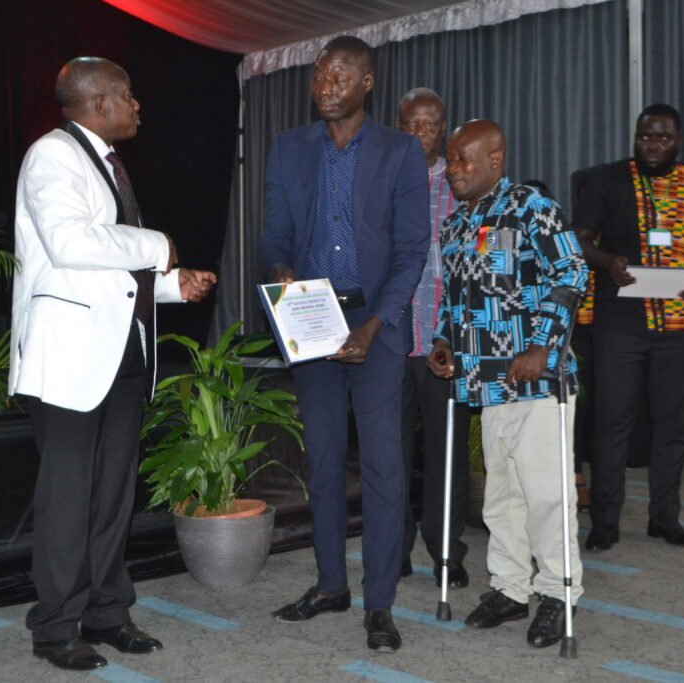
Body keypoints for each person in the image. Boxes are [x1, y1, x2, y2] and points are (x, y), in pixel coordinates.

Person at [9, 56, 217, 671]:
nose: (137, 106)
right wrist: (159, 247)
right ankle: (54, 626)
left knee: (110, 497)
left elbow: (112, 273)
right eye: (128, 95)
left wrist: (177, 285)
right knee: (69, 499)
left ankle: (106, 613)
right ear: (99, 102)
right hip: (71, 357)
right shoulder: (53, 155)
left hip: (123, 351)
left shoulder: (107, 165)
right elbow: (70, 245)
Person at [260, 36, 430, 652]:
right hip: (312, 321)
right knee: (324, 461)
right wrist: (281, 270)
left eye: (338, 77)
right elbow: (274, 234)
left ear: (366, 83)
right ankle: (331, 584)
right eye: (317, 77)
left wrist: (375, 323)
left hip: (376, 326)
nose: (325, 87)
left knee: (384, 468)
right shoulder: (287, 149)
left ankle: (379, 603)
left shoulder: (401, 151)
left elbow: (412, 250)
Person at [428, 120, 587, 648]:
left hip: (538, 385)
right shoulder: (454, 227)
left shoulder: (530, 208)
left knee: (546, 497)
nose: (453, 170)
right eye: (450, 160)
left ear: (495, 159)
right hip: (486, 387)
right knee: (501, 499)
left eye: (463, 160)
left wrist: (542, 345)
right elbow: (454, 301)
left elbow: (572, 274)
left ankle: (559, 596)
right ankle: (512, 589)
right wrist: (443, 341)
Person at [575, 103, 684, 552]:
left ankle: (665, 519)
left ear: (678, 140)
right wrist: (608, 262)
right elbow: (577, 239)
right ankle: (605, 524)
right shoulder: (606, 180)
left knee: (672, 425)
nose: (652, 144)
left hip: (680, 321)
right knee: (613, 423)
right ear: (635, 136)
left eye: (662, 137)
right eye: (645, 136)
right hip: (620, 322)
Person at [395, 87, 470, 588]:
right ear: (399, 126)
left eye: (432, 123)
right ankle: (391, 547)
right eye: (413, 123)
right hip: (391, 343)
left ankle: (447, 552)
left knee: (448, 454)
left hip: (445, 344)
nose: (423, 132)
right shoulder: (381, 183)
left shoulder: (464, 184)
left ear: (443, 129)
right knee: (390, 454)